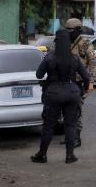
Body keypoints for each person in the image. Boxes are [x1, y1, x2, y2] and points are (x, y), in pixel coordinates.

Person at [31, 29, 91, 164]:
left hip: (53, 93)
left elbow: (39, 75)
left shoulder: (50, 57)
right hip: (72, 93)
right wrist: (83, 89)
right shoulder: (74, 58)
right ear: (69, 43)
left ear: (56, 42)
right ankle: (70, 155)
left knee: (49, 125)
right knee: (70, 125)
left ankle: (42, 154)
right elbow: (86, 77)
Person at [64, 18, 96, 148]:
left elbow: (93, 63)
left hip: (80, 82)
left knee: (76, 110)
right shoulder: (65, 43)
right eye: (67, 30)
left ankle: (76, 137)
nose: (69, 32)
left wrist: (91, 83)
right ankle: (68, 136)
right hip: (66, 81)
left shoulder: (85, 44)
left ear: (78, 30)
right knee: (65, 111)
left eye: (71, 30)